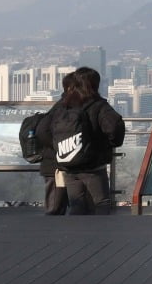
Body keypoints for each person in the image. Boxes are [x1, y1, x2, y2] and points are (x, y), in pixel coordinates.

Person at [45, 66, 125, 215]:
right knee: (101, 203)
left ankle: (77, 235)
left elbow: (44, 128)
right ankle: (102, 235)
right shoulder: (98, 105)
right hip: (93, 165)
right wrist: (110, 143)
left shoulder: (64, 104)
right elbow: (114, 127)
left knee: (77, 204)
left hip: (68, 164)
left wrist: (59, 146)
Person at [35, 72, 74, 215]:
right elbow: (43, 130)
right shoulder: (63, 108)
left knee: (57, 204)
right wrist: (61, 147)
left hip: (55, 161)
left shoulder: (60, 106)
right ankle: (49, 234)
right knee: (55, 206)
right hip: (55, 163)